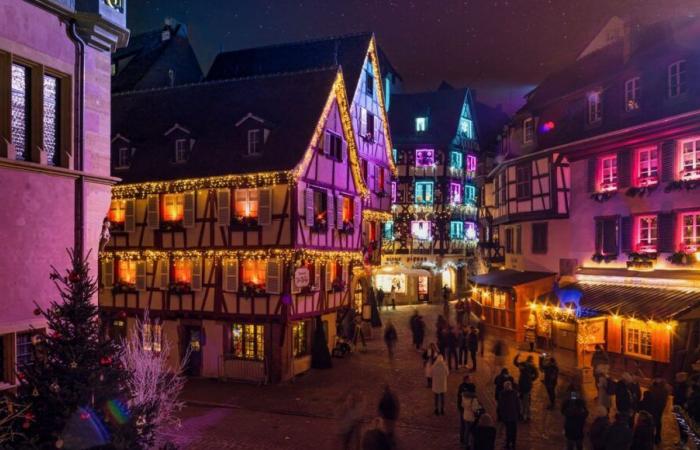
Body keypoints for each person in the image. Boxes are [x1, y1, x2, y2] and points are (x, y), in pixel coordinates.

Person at [513, 353, 539, 421]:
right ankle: (527, 416)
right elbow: (537, 375)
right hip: (528, 385)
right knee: (526, 401)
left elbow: (515, 363)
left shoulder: (523, 364)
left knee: (522, 400)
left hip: (522, 384)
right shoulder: (532, 366)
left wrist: (517, 356)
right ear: (531, 360)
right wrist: (532, 379)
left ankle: (523, 415)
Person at [645, 378, 669, 445]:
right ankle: (657, 438)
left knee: (654, 422)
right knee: (658, 422)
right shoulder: (664, 388)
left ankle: (654, 438)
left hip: (655, 407)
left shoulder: (658, 389)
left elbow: (652, 394)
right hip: (660, 408)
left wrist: (651, 386)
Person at [497, 381, 520, 450]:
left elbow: (500, 406)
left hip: (507, 416)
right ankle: (513, 444)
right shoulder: (515, 393)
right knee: (514, 430)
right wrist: (518, 413)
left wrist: (500, 415)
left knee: (508, 430)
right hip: (514, 415)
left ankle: (508, 444)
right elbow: (518, 405)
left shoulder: (502, 394)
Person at [457, 374, 477, 439]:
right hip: (468, 409)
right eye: (470, 379)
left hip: (463, 408)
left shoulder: (461, 387)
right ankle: (466, 439)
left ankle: (463, 438)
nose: (471, 380)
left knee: (463, 424)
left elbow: (459, 397)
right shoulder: (470, 387)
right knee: (467, 425)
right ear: (466, 380)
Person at [673, 372, 689, 448]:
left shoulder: (685, 387)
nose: (676, 379)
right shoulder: (680, 385)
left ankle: (683, 442)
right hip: (678, 407)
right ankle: (681, 441)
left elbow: (682, 398)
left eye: (677, 378)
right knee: (681, 426)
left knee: (683, 426)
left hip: (681, 409)